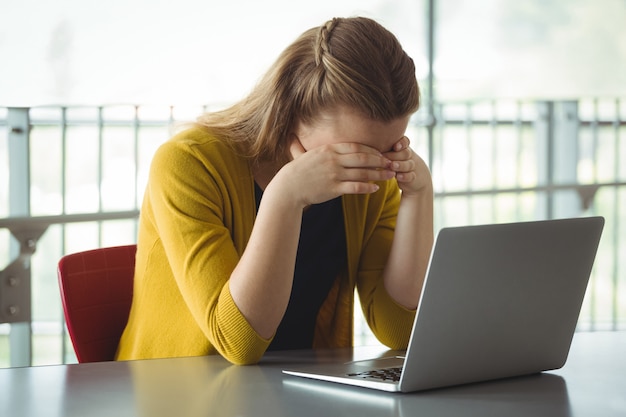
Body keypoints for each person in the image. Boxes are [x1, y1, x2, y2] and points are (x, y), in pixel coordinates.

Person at [115, 16, 434, 365]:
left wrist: (419, 193)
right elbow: (239, 343)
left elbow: (400, 330)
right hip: (179, 392)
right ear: (291, 112)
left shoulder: (371, 179)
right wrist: (285, 196)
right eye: (352, 150)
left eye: (389, 148)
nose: (374, 163)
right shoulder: (187, 163)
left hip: (297, 390)